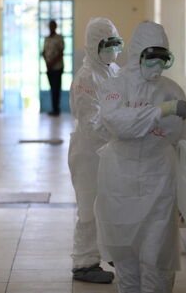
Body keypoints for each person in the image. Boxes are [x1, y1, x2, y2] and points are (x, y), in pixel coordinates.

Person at [94, 21, 186, 293]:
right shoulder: (115, 86)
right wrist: (163, 110)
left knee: (156, 259)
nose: (158, 67)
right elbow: (119, 123)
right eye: (152, 58)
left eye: (163, 59)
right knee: (126, 261)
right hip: (120, 182)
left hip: (159, 181)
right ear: (138, 54)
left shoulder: (172, 90)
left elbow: (183, 140)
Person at [68, 17, 123, 283]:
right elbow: (91, 122)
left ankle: (110, 251)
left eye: (115, 43)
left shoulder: (112, 70)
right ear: (94, 45)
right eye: (107, 44)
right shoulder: (86, 78)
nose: (112, 50)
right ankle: (84, 264)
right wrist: (120, 133)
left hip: (109, 151)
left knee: (110, 205)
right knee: (89, 209)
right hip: (89, 152)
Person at [42, 20, 64, 116]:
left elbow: (60, 52)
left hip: (57, 68)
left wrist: (52, 63)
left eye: (53, 26)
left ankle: (57, 109)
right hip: (49, 68)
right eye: (50, 26)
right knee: (52, 88)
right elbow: (43, 52)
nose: (51, 27)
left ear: (55, 27)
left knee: (56, 89)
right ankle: (53, 108)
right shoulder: (46, 39)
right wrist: (47, 62)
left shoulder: (59, 38)